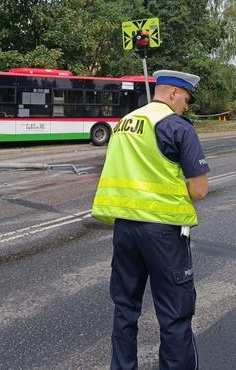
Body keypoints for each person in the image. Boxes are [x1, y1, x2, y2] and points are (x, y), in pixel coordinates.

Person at [92, 69, 210, 370]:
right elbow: (199, 190)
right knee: (175, 314)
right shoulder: (177, 126)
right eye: (185, 98)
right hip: (163, 232)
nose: (186, 106)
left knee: (125, 309)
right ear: (173, 93)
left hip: (125, 228)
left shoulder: (124, 124)